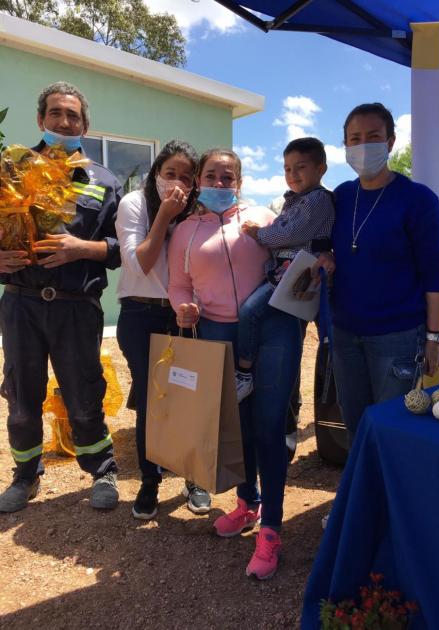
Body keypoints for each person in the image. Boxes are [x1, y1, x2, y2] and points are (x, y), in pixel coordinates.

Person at [168, 148, 302, 580]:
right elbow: (177, 283)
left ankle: (272, 529)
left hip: (274, 331)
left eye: (229, 178)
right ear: (199, 181)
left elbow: (291, 259)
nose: (220, 184)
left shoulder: (262, 218)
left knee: (268, 427)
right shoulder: (184, 231)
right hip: (216, 335)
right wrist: (182, 307)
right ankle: (248, 504)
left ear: (240, 183)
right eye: (212, 175)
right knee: (238, 427)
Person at [0, 81, 123, 513]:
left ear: (85, 125)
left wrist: (80, 248)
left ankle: (102, 469)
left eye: (72, 115)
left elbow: (122, 247)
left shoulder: (104, 182)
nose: (64, 121)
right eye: (56, 113)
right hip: (21, 303)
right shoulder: (11, 170)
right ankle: (25, 474)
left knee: (84, 392)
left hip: (76, 306)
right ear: (41, 119)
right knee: (21, 395)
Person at [313, 102, 439, 443]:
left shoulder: (418, 200)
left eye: (373, 136)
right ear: (345, 146)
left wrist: (434, 339)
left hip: (399, 338)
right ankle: (366, 494)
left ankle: (392, 496)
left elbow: (436, 273)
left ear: (390, 142)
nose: (363, 146)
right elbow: (326, 245)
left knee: (392, 430)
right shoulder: (341, 197)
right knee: (357, 428)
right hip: (345, 334)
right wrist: (326, 255)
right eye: (354, 138)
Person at [116, 140, 213, 519]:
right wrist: (163, 217)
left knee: (189, 397)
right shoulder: (135, 205)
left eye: (186, 178)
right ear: (156, 173)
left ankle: (195, 477)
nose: (177, 183)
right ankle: (149, 480)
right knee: (152, 403)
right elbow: (139, 264)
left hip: (184, 316)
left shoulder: (197, 214)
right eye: (169, 173)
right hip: (140, 316)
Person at [236, 137, 334, 402]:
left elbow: (288, 233)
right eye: (287, 169)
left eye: (300, 167)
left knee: (249, 311)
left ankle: (243, 373)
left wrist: (258, 233)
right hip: (284, 275)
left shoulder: (318, 200)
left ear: (321, 169)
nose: (292, 174)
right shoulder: (295, 201)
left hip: (296, 277)